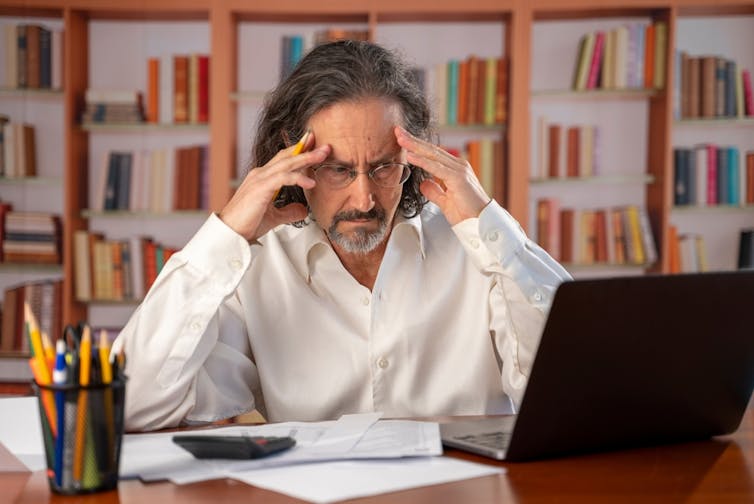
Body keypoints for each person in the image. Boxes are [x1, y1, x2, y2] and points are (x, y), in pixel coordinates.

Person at [112, 40, 570, 431]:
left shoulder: (480, 251)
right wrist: (226, 233)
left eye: (383, 166)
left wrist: (491, 226)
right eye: (338, 169)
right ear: (293, 161)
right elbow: (133, 405)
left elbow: (569, 390)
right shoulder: (256, 266)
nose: (364, 198)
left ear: (413, 157)